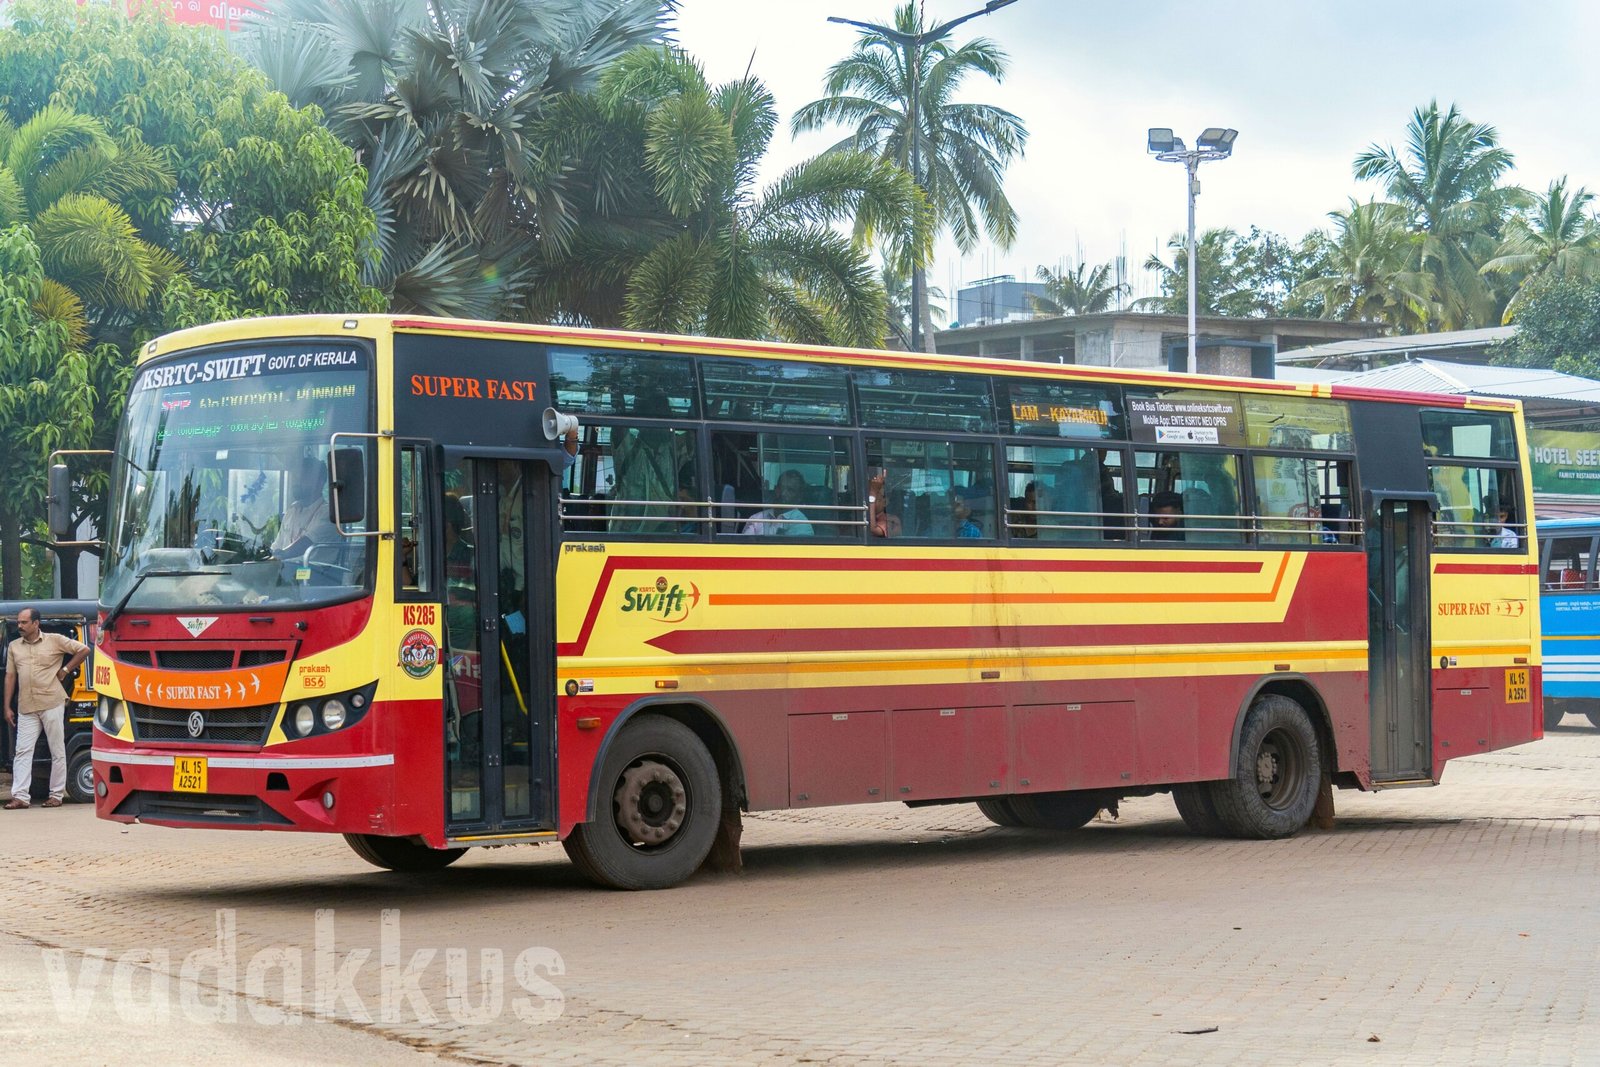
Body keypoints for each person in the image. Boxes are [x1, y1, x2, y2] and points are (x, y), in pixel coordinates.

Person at [5, 607, 89, 809]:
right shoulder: (14, 646)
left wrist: (66, 670)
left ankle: (56, 795)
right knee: (23, 751)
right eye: (18, 622)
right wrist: (7, 706)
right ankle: (20, 797)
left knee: (57, 750)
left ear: (36, 623)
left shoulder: (55, 640)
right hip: (26, 705)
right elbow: (10, 676)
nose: (20, 626)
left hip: (52, 702)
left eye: (24, 622)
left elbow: (84, 649)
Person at [273, 453, 339, 555]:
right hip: (285, 569)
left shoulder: (329, 514)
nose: (296, 481)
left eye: (303, 477)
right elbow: (276, 546)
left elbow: (304, 545)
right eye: (295, 476)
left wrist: (280, 556)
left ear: (319, 482)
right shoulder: (291, 511)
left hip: (316, 570)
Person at [743, 470, 814, 536]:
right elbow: (745, 546)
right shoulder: (756, 518)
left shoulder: (801, 523)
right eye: (781, 488)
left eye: (790, 490)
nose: (783, 493)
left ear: (799, 497)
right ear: (775, 489)